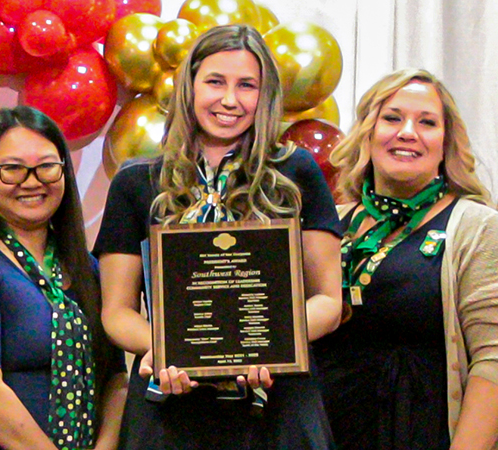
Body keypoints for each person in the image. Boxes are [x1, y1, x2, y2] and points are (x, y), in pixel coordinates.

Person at [93, 24, 345, 449]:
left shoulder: (296, 172)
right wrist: (163, 350)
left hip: (278, 409)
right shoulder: (136, 181)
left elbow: (328, 302)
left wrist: (271, 344)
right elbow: (116, 311)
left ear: (264, 97)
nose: (230, 100)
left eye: (247, 85)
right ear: (188, 86)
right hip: (168, 410)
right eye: (215, 82)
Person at [319, 69, 498, 450]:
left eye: (427, 122)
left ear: (445, 143)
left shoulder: (479, 226)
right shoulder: (332, 224)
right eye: (392, 118)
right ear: (368, 132)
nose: (407, 132)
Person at [0, 106, 126, 450]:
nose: (32, 181)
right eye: (12, 169)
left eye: (47, 166)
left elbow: (115, 377)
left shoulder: (86, 267)